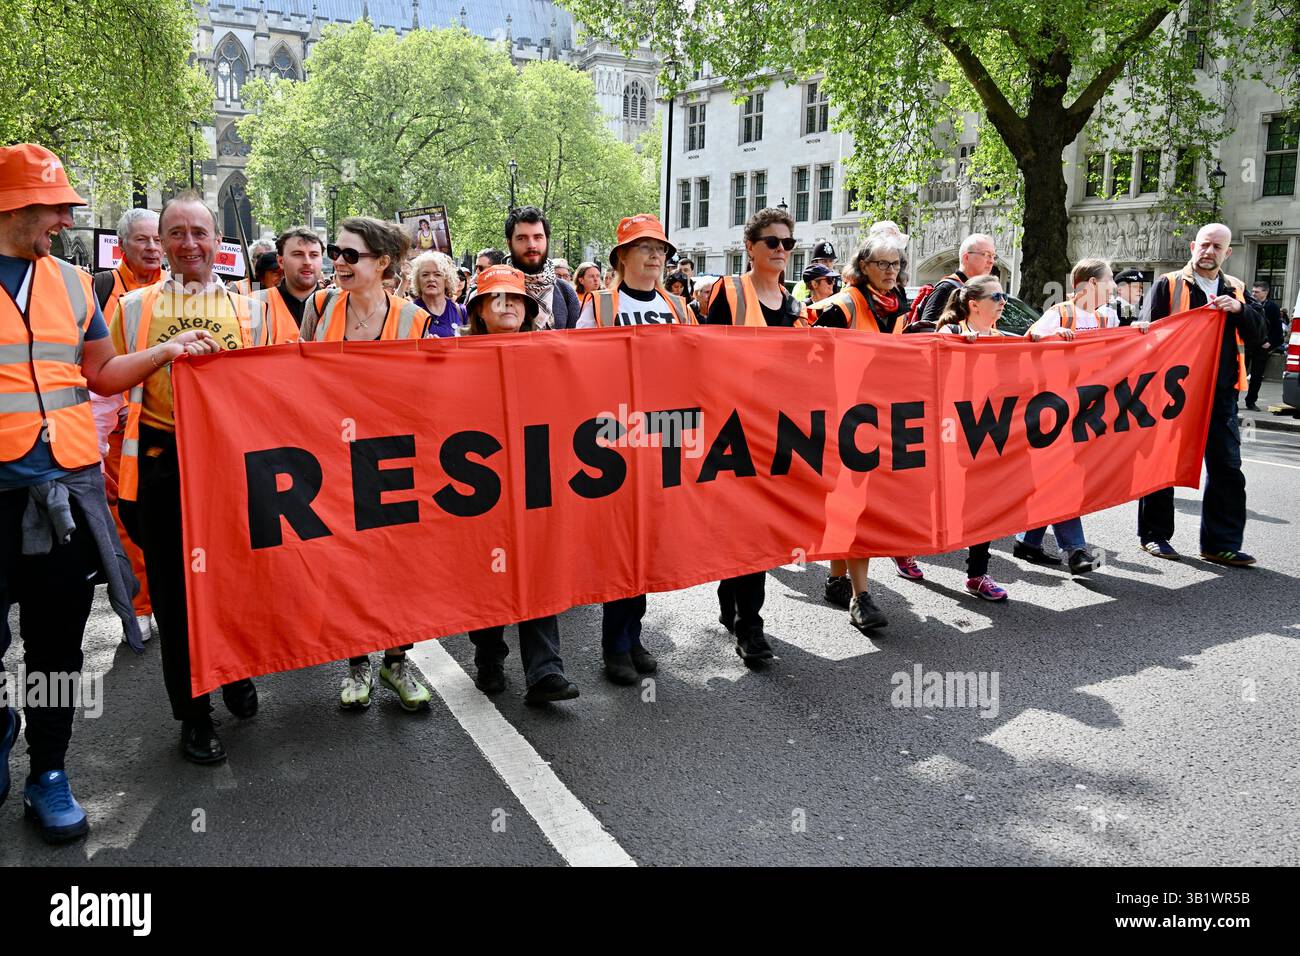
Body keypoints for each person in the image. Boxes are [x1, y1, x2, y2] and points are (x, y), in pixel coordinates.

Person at [1, 145, 214, 842]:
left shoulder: (69, 283)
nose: (64, 221)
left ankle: (49, 772)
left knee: (56, 649)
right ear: (15, 206)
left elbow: (100, 373)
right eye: (55, 208)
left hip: (62, 495)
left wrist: (165, 353)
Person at [109, 191, 299, 769]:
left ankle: (236, 669)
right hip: (162, 468)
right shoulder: (135, 308)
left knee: (238, 583)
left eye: (199, 232)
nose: (188, 244)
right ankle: (193, 715)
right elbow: (105, 379)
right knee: (173, 596)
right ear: (159, 243)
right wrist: (164, 355)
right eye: (176, 233)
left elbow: (294, 385)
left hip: (234, 469)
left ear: (218, 242)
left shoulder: (259, 309)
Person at [297, 218, 436, 711]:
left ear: (382, 263)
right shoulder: (318, 305)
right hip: (331, 457)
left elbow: (427, 393)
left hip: (393, 457)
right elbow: (298, 374)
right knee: (346, 562)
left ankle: (396, 662)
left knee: (397, 565)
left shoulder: (412, 319)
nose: (338, 262)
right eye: (337, 252)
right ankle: (356, 664)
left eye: (351, 255)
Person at [575, 215, 692, 683]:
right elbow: (577, 366)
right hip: (613, 437)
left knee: (647, 543)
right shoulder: (600, 304)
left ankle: (635, 634)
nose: (654, 256)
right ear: (621, 257)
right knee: (621, 543)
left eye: (659, 248)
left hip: (661, 436)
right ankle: (614, 645)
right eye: (643, 248)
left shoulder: (678, 307)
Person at [464, 265, 580, 704]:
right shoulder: (454, 358)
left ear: (528, 308)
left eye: (514, 298)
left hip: (536, 481)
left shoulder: (547, 352)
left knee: (539, 570)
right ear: (479, 310)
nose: (506, 305)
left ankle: (545, 671)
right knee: (489, 575)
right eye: (496, 299)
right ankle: (489, 657)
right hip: (482, 488)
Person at [807, 232, 925, 631]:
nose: (891, 272)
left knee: (854, 502)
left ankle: (838, 580)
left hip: (879, 417)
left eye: (896, 265)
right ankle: (861, 596)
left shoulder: (899, 307)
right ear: (863, 268)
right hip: (842, 419)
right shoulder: (842, 306)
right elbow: (807, 355)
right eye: (883, 265)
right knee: (855, 503)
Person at [706, 207, 807, 666]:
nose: (782, 250)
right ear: (750, 246)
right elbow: (700, 356)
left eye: (788, 243)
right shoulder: (726, 292)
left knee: (762, 527)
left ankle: (744, 612)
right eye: (773, 242)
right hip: (732, 430)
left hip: (777, 430)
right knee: (743, 525)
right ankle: (747, 618)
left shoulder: (794, 305)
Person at [1135, 223, 1264, 565]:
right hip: (1173, 393)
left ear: (1228, 253)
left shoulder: (1236, 289)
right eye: (1205, 245)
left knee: (1227, 467)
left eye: (1217, 247)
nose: (1209, 252)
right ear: (1193, 246)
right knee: (1163, 464)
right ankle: (1155, 536)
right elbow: (1148, 335)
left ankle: (1220, 544)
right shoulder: (1170, 283)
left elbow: (1261, 336)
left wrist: (1240, 310)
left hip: (1220, 394)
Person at [1013, 259, 1121, 574]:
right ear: (1088, 285)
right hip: (1055, 411)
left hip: (1086, 409)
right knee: (1063, 479)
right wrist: (1048, 337)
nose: (1114, 286)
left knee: (1056, 479)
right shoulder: (1059, 313)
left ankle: (1028, 541)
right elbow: (1026, 346)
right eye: (1109, 279)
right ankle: (1075, 550)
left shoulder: (1108, 316)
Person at [92, 209, 165, 645]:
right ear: (122, 246)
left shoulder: (175, 292)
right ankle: (138, 604)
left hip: (163, 427)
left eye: (158, 239)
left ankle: (169, 598)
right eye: (144, 240)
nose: (153, 248)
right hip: (119, 431)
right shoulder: (98, 289)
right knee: (124, 520)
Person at [936, 275, 1020, 601]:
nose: (1002, 302)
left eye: (1004, 296)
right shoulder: (950, 333)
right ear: (974, 305)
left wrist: (1052, 339)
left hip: (986, 429)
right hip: (949, 427)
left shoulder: (1003, 337)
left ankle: (977, 574)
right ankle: (906, 549)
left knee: (983, 500)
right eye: (996, 296)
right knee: (937, 497)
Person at [503, 206, 581, 330]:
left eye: (538, 237)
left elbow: (575, 344)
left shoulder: (566, 292)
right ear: (509, 243)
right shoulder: (495, 291)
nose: (531, 245)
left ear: (547, 240)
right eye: (522, 238)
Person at [916, 233, 998, 326]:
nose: (991, 261)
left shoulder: (981, 292)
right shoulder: (945, 288)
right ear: (966, 257)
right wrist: (961, 333)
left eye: (993, 256)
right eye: (986, 254)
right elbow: (926, 329)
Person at [254, 226, 323, 330]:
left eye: (314, 255)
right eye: (298, 254)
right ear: (281, 261)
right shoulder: (254, 303)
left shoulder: (340, 305)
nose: (307, 262)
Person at [1246, 281, 1285, 409]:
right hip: (1246, 345)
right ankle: (1232, 400)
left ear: (1265, 292)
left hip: (1262, 347)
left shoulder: (1272, 308)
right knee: (1237, 374)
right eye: (1253, 291)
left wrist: (1270, 343)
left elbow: (1277, 329)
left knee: (1257, 376)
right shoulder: (1248, 304)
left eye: (1257, 292)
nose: (1253, 294)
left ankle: (1251, 401)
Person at [411, 250, 466, 337]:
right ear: (417, 280)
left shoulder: (461, 312)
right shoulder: (408, 313)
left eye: (437, 274)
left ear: (447, 279)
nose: (431, 279)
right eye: (425, 275)